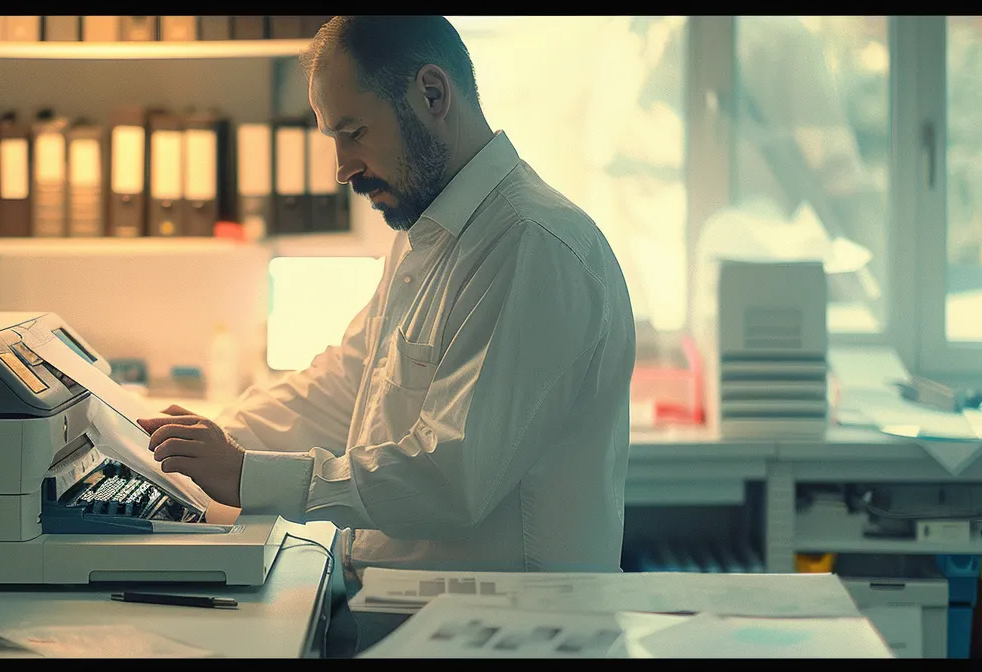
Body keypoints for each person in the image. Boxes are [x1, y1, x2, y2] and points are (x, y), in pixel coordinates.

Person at [137, 15, 637, 579]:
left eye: (354, 133)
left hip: (502, 633)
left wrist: (247, 475)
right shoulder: (427, 233)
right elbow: (346, 384)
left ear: (432, 94)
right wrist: (205, 441)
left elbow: (451, 478)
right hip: (409, 612)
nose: (342, 168)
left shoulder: (530, 246)